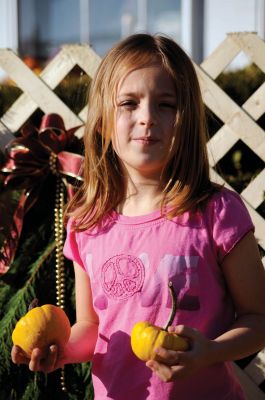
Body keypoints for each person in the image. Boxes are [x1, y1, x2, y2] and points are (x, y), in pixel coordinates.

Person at [11, 33, 265, 400]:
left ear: (187, 120)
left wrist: (211, 351)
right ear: (103, 122)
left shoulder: (216, 212)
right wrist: (60, 352)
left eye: (166, 104)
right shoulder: (87, 222)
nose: (147, 118)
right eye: (128, 103)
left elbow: (258, 319)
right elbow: (91, 327)